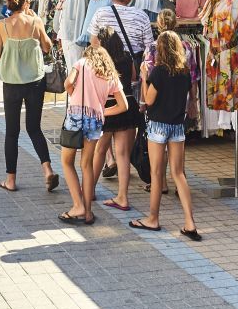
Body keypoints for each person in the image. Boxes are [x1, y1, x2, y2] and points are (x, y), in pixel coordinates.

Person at [131, 30, 201, 240]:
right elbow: (189, 96)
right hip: (177, 126)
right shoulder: (184, 72)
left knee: (156, 174)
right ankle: (190, 222)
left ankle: (153, 218)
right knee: (178, 173)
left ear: (160, 49)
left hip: (158, 126)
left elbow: (149, 100)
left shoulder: (159, 72)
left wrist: (144, 78)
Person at [0, 0, 58, 194]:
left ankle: (10, 180)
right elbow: (47, 47)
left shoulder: (2, 26)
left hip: (12, 82)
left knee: (12, 132)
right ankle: (47, 169)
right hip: (35, 82)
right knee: (34, 128)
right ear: (27, 4)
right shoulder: (35, 23)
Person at [59, 43, 128, 225]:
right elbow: (123, 106)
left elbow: (67, 82)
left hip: (76, 115)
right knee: (86, 164)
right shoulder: (110, 74)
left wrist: (73, 93)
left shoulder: (81, 63)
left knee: (67, 161)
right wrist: (102, 112)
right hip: (95, 120)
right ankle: (88, 212)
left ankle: (77, 205)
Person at [92, 25, 138, 212]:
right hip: (127, 106)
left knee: (99, 151)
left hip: (107, 107)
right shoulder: (127, 58)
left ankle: (89, 189)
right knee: (123, 154)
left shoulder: (101, 61)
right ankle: (123, 197)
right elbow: (134, 79)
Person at [88, 0, 155, 70]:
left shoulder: (100, 13)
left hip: (107, 66)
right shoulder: (141, 16)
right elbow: (149, 47)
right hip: (133, 67)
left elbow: (94, 41)